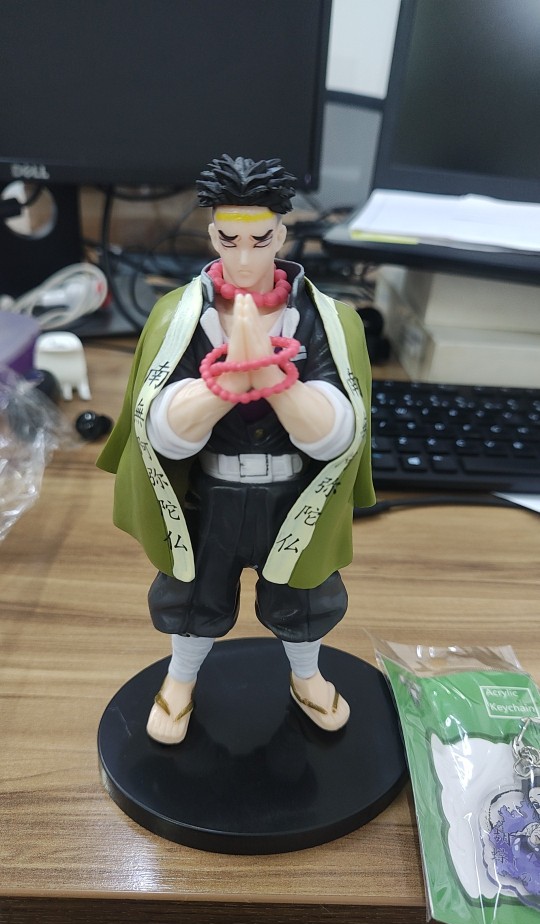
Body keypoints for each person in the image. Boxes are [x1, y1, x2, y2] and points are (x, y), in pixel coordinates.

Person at [97, 155, 375, 745]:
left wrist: (273, 377)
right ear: (211, 234)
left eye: (260, 240)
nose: (244, 260)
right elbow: (160, 429)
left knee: (303, 595)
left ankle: (306, 677)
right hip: (212, 496)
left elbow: (338, 431)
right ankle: (179, 681)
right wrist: (227, 379)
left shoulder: (325, 319)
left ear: (282, 233)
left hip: (292, 497)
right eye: (229, 240)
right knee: (195, 594)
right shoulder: (180, 315)